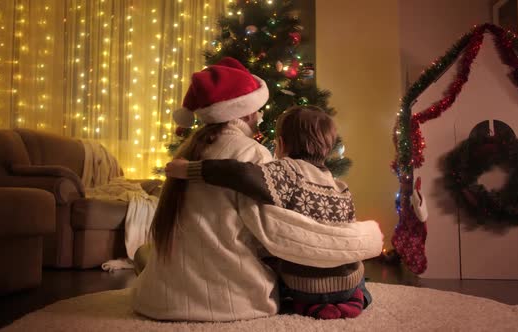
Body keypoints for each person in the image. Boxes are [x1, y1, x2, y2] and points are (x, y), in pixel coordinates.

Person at [131, 57, 383, 322]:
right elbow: (278, 235)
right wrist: (362, 239)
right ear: (247, 112)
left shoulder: (191, 149)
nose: (261, 118)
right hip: (226, 301)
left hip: (159, 299)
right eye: (258, 110)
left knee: (144, 255)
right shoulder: (252, 153)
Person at [164, 106, 374, 319]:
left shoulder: (288, 171)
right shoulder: (341, 187)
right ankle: (357, 296)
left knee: (275, 258)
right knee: (357, 274)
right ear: (328, 149)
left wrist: (188, 169)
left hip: (305, 287)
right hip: (347, 284)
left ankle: (314, 300)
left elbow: (240, 173)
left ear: (281, 144)